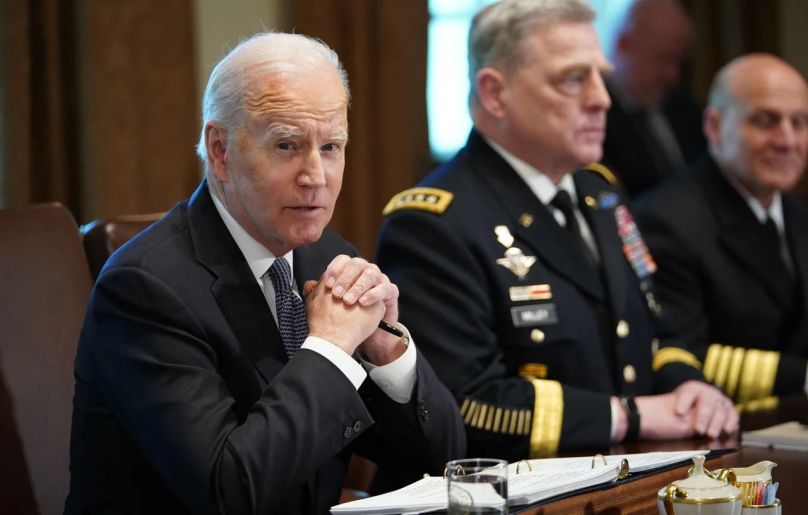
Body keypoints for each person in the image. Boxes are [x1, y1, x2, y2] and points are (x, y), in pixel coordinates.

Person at [64, 32, 465, 514]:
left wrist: (389, 353)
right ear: (220, 151)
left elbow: (445, 462)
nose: (316, 175)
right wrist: (332, 348)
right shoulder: (145, 289)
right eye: (287, 145)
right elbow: (227, 493)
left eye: (332, 146)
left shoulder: (325, 257)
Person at [376, 0, 737, 462]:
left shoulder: (600, 192)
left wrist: (690, 388)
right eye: (572, 79)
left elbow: (656, 330)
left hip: (627, 478)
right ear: (494, 94)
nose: (601, 98)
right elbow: (464, 403)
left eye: (600, 75)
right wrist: (630, 414)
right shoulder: (432, 223)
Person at [633, 53, 808, 404]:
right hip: (718, 434)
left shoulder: (796, 215)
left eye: (799, 122)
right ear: (714, 126)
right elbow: (681, 352)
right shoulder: (666, 220)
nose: (787, 140)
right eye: (766, 121)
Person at [602, 0, 706, 197]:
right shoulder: (597, 120)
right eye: (662, 59)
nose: (672, 75)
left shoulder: (687, 111)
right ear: (624, 44)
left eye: (678, 61)